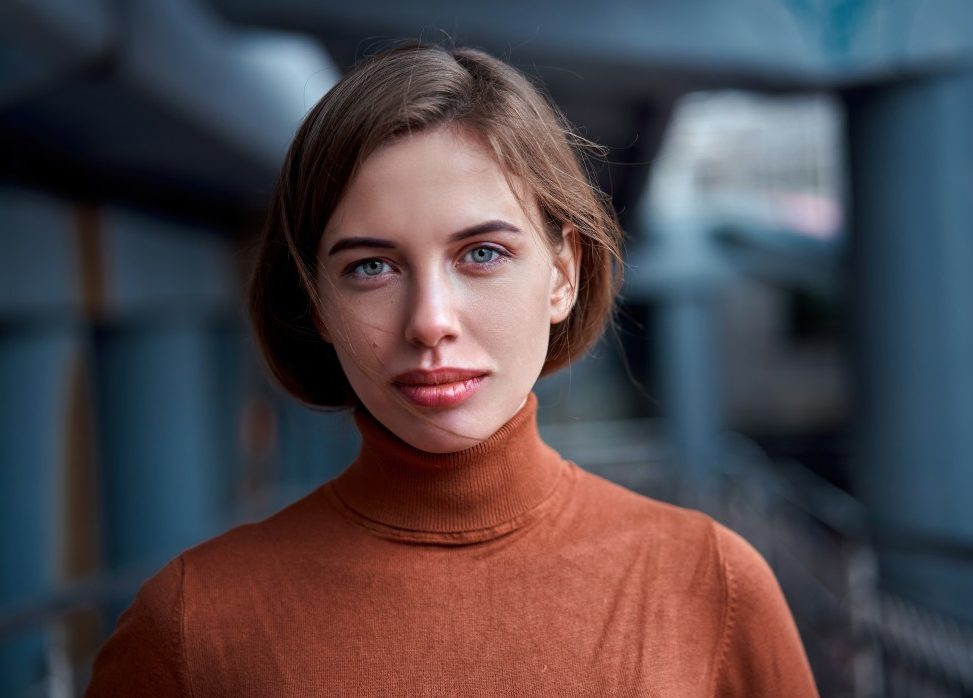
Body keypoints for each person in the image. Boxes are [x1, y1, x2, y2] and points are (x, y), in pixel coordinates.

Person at [86, 43, 819, 696]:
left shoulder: (709, 586)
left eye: (482, 254)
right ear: (316, 303)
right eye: (370, 266)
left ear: (562, 273)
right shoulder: (192, 625)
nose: (429, 319)